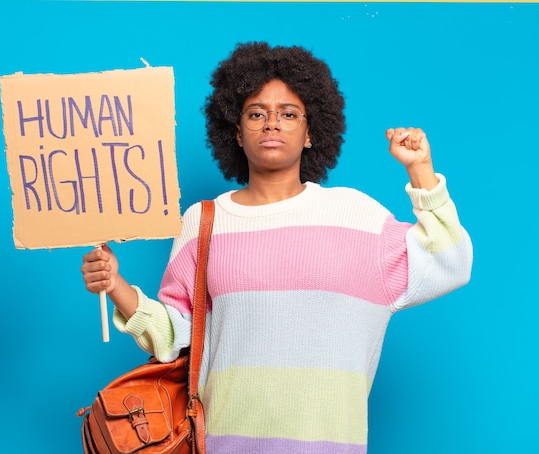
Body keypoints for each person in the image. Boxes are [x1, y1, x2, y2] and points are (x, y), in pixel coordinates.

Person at [81, 41, 473, 454]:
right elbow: (178, 336)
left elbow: (451, 261)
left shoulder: (357, 215)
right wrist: (115, 284)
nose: (272, 123)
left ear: (310, 132)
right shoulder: (203, 221)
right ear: (235, 130)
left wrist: (420, 170)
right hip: (223, 443)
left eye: (288, 114)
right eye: (256, 113)